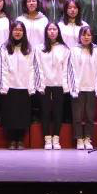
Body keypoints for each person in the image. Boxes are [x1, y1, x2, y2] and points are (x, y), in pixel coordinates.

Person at [0, 21, 41, 149]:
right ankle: (12, 140)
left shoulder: (29, 48)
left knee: (23, 115)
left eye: (20, 30)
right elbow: (3, 67)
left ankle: (20, 140)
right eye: (15, 30)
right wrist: (4, 86)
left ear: (24, 32)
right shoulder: (4, 48)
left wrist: (31, 87)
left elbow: (32, 68)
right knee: (10, 115)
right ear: (11, 32)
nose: (17, 32)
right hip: (10, 86)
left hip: (24, 86)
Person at [37, 22, 71, 150]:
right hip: (45, 85)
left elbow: (66, 68)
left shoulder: (64, 49)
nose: (52, 31)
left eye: (54, 29)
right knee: (45, 112)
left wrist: (65, 86)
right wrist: (41, 84)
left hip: (59, 85)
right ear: (46, 32)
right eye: (49, 29)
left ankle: (56, 138)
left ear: (58, 32)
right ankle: (47, 139)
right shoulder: (39, 48)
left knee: (58, 112)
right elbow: (38, 67)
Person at [69, 26, 97, 150]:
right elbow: (71, 69)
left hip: (91, 88)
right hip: (78, 89)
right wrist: (73, 89)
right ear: (80, 36)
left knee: (90, 116)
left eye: (89, 35)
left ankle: (88, 138)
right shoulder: (74, 50)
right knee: (77, 116)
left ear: (92, 37)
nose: (86, 37)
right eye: (84, 35)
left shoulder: (96, 51)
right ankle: (79, 138)